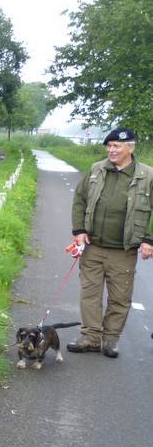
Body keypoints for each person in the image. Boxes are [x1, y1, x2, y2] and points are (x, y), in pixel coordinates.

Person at [68, 127, 153, 358]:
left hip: (123, 251)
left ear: (130, 148)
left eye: (116, 146)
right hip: (93, 246)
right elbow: (79, 199)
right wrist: (79, 230)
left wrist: (149, 239)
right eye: (109, 146)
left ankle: (111, 340)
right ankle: (91, 337)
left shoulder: (147, 175)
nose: (111, 150)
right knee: (90, 294)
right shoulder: (97, 169)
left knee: (119, 298)